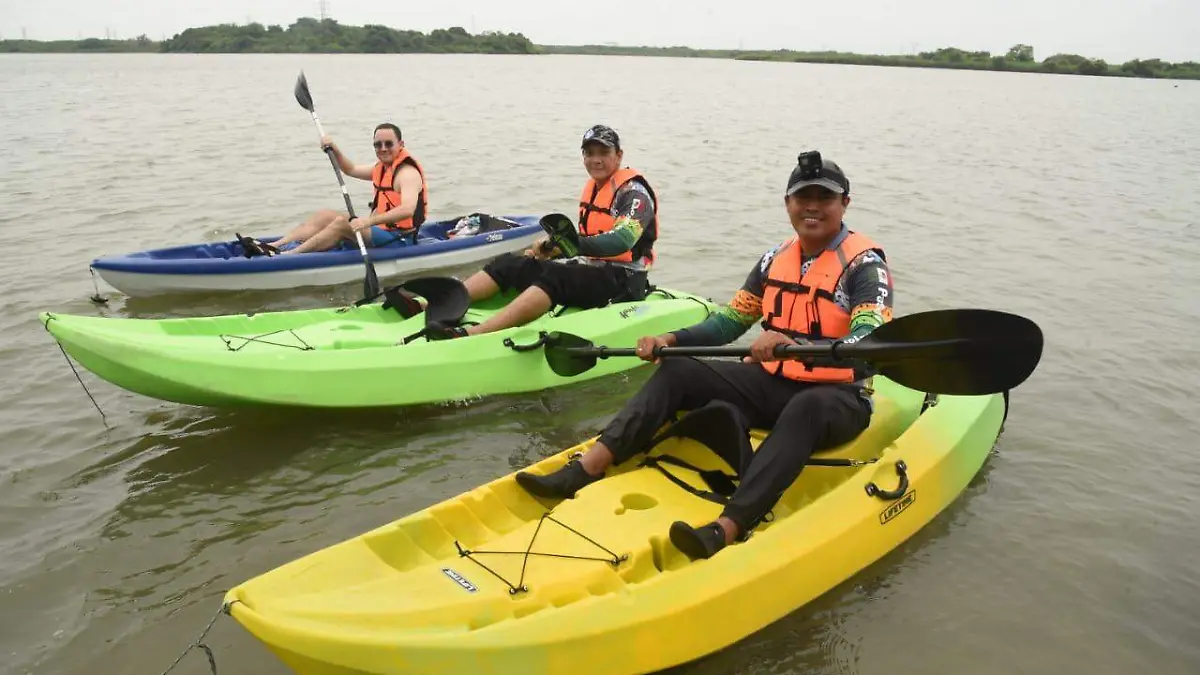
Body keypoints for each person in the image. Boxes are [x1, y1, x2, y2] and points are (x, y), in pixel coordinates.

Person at [514, 150, 895, 561]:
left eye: (825, 198)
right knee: (679, 372)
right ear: (788, 204)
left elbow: (867, 347)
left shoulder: (863, 265)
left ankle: (728, 527)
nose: (813, 207)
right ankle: (583, 469)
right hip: (775, 383)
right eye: (804, 198)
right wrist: (670, 338)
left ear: (845, 204)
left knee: (807, 407)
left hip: (838, 398)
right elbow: (729, 322)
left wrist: (795, 347)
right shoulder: (775, 259)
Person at [428, 124, 659, 338]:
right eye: (589, 153)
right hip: (593, 269)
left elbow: (622, 240)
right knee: (510, 263)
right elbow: (589, 245)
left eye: (603, 153)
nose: (595, 160)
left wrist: (570, 243)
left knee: (555, 276)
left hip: (624, 280)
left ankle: (476, 333)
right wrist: (554, 249)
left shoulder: (633, 193)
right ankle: (437, 304)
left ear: (619, 155)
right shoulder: (595, 188)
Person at [266, 123, 428, 254]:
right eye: (378, 144)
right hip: (380, 232)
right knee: (325, 215)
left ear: (400, 145)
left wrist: (368, 221)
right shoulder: (382, 168)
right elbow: (350, 169)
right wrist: (334, 149)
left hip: (399, 240)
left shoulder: (407, 174)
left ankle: (290, 256)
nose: (383, 148)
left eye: (388, 144)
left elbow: (407, 210)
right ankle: (274, 246)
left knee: (343, 222)